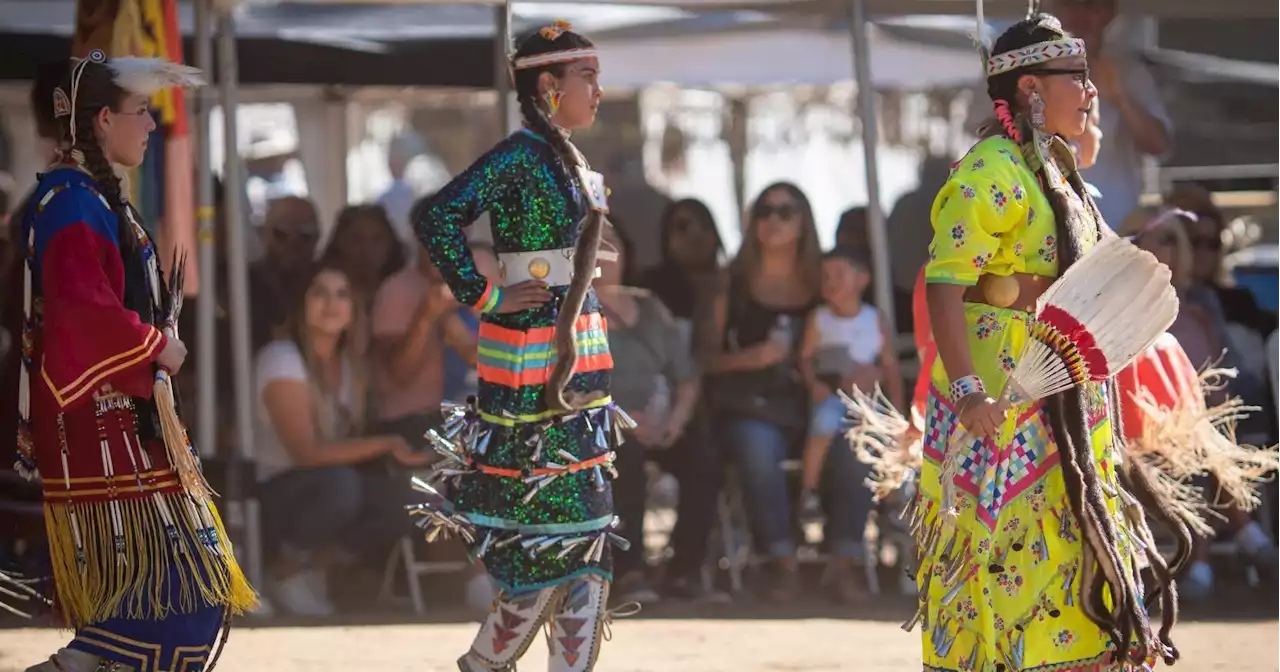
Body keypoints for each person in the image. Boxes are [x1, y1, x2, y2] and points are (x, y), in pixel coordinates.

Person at [911, 14, 1186, 670]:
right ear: (1031, 88)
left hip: (1063, 401)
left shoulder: (1058, 174)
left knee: (1074, 548)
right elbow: (945, 286)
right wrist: (972, 392)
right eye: (1078, 79)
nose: (1092, 92)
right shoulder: (990, 171)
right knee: (998, 561)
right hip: (999, 408)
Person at [14, 51, 255, 672]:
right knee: (181, 596)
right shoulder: (70, 203)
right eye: (141, 112)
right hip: (98, 421)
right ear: (100, 120)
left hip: (120, 417)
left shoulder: (87, 198)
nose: (151, 125)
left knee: (171, 598)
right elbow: (81, 311)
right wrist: (155, 346)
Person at [410, 21, 627, 672]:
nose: (599, 91)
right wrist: (484, 296)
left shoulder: (567, 158)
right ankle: (483, 665)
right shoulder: (519, 157)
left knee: (583, 544)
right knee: (553, 542)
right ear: (549, 86)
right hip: (530, 382)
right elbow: (436, 215)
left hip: (579, 372)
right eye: (587, 77)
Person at [797, 248, 903, 518]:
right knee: (822, 426)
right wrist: (814, 385)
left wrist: (897, 409)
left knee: (886, 435)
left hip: (867, 400)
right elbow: (806, 358)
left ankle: (891, 497)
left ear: (862, 279)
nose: (830, 282)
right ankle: (809, 490)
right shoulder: (819, 319)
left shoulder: (874, 319)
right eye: (826, 276)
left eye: (839, 274)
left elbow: (889, 366)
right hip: (833, 395)